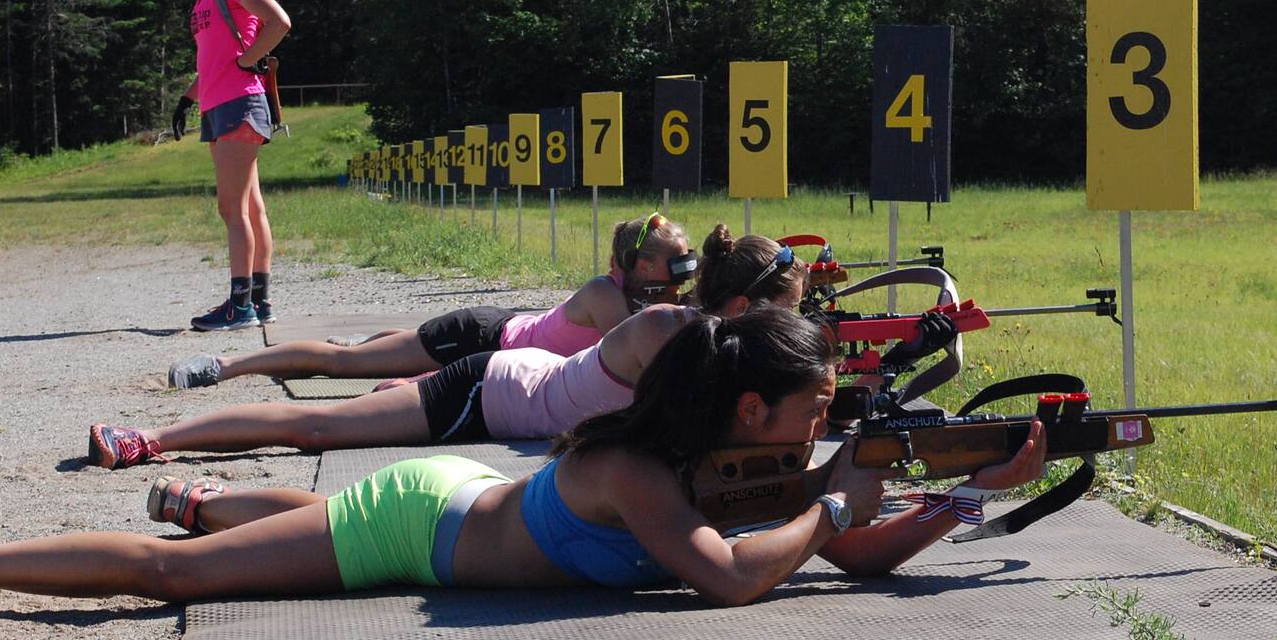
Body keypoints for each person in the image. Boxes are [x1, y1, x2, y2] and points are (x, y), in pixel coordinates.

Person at [0, 308, 1046, 606]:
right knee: (165, 580)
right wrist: (834, 502)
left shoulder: (745, 462)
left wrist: (965, 493)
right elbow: (731, 575)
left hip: (474, 500)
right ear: (753, 407)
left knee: (248, 538)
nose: (822, 429)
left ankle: (202, 495)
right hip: (414, 525)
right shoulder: (638, 470)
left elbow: (844, 552)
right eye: (813, 411)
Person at [88, 226, 808, 469]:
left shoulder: (711, 338)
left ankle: (393, 399)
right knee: (316, 428)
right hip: (492, 384)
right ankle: (152, 436)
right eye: (787, 319)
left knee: (352, 398)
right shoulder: (666, 333)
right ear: (742, 309)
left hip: (517, 383)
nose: (791, 336)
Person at [164, 212, 691, 389]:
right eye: (679, 264)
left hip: (502, 344)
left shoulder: (637, 294)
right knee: (342, 364)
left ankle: (379, 344)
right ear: (644, 268)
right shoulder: (606, 295)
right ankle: (224, 365)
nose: (684, 274)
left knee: (372, 352)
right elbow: (656, 355)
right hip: (478, 336)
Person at [174, 0, 292, 332]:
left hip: (241, 104)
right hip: (218, 105)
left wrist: (247, 61)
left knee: (232, 208)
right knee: (251, 207)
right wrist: (188, 98)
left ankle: (239, 306)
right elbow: (212, 60)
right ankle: (259, 301)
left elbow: (279, 22)